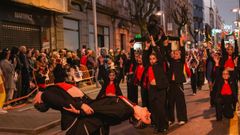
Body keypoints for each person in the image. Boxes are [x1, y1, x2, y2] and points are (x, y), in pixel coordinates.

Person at [33, 83, 151, 135]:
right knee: (53, 97)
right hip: (83, 105)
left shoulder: (125, 110)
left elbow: (101, 109)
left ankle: (42, 97)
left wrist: (81, 109)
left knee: (51, 97)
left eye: (146, 117)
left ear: (137, 117)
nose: (149, 113)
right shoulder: (129, 106)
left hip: (82, 113)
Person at [143, 36, 169, 134]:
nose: (152, 60)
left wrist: (153, 43)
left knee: (161, 109)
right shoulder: (148, 66)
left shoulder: (160, 64)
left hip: (160, 89)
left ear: (156, 59)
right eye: (150, 59)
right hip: (152, 90)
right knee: (154, 109)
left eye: (153, 59)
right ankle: (157, 127)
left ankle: (164, 126)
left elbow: (159, 54)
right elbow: (144, 58)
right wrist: (146, 47)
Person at [165, 35, 188, 125]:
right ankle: (171, 119)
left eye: (177, 54)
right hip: (171, 84)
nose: (175, 55)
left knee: (180, 102)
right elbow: (167, 54)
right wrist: (167, 45)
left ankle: (182, 118)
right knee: (170, 102)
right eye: (174, 54)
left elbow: (183, 51)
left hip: (178, 84)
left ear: (180, 55)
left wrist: (181, 42)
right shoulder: (171, 61)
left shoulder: (181, 61)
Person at [213, 54, 238, 121]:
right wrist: (217, 63)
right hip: (222, 97)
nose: (225, 75)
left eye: (226, 74)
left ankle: (226, 110)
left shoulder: (231, 80)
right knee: (218, 101)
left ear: (229, 75)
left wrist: (235, 64)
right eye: (223, 74)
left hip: (230, 98)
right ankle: (219, 117)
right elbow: (217, 74)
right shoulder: (220, 80)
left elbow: (235, 74)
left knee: (229, 115)